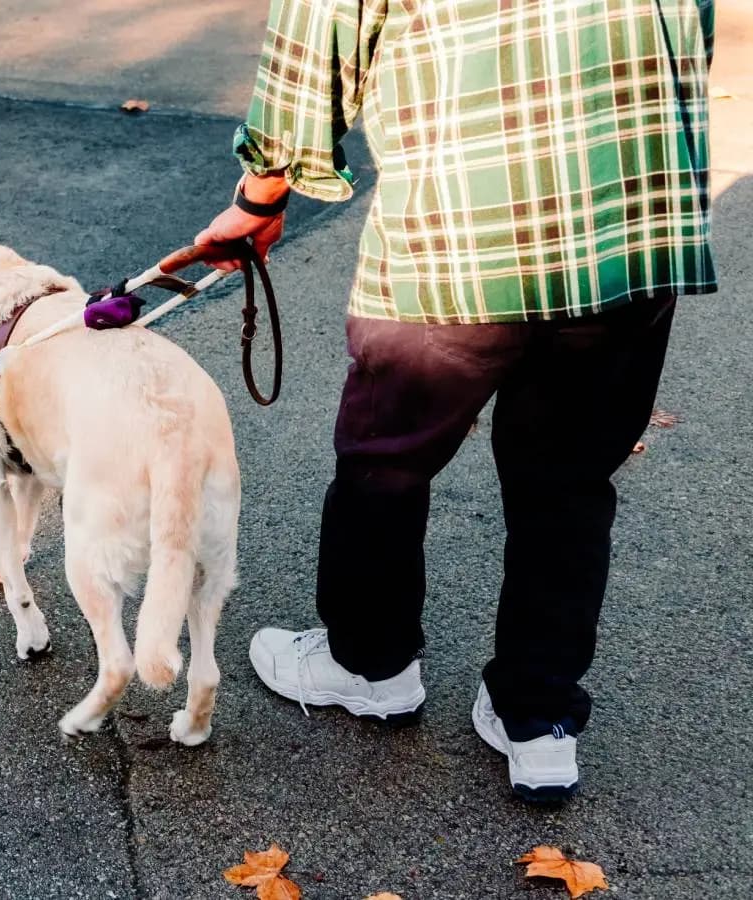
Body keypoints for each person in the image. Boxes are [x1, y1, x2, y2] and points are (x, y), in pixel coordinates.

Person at [195, 0, 716, 801]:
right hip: (630, 227)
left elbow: (312, 51)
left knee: (386, 461)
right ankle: (538, 722)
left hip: (458, 235)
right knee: (569, 482)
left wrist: (262, 195)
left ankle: (370, 665)